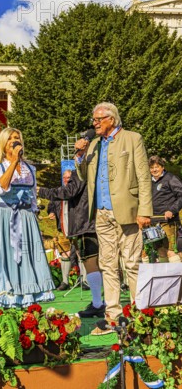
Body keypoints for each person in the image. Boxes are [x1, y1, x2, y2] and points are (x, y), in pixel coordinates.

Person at [74, 102, 152, 334]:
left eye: (98, 119)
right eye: (94, 120)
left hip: (128, 211)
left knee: (132, 263)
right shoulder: (95, 144)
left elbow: (144, 175)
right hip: (101, 212)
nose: (94, 123)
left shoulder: (132, 139)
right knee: (107, 264)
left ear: (111, 119)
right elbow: (83, 175)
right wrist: (80, 155)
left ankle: (139, 314)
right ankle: (113, 315)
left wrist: (145, 209)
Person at [0, 128, 55, 307]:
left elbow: (32, 195)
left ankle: (26, 295)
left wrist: (33, 216)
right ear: (3, 144)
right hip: (3, 217)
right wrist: (14, 161)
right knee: (2, 255)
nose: (15, 142)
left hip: (25, 217)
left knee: (26, 256)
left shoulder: (29, 168)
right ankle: (3, 295)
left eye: (17, 138)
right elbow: (2, 188)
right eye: (10, 139)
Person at [39, 170, 104, 318]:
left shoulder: (82, 171)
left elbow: (69, 192)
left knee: (92, 261)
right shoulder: (92, 170)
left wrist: (41, 191)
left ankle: (99, 303)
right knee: (90, 261)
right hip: (81, 225)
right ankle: (99, 302)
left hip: (86, 224)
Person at [149, 155, 182, 261]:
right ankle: (164, 278)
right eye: (152, 167)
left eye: (157, 166)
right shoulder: (148, 182)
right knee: (160, 252)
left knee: (171, 252)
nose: (154, 170)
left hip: (169, 222)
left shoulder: (171, 178)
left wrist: (172, 210)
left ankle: (177, 277)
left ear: (162, 167)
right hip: (154, 222)